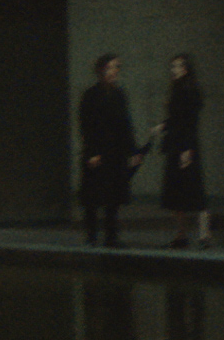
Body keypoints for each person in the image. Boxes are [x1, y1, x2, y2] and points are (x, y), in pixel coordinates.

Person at [77, 54, 147, 247]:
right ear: (101, 70)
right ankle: (91, 235)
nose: (114, 71)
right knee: (93, 196)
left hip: (115, 151)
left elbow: (125, 124)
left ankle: (111, 236)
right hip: (98, 150)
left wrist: (133, 151)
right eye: (110, 67)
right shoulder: (91, 95)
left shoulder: (119, 94)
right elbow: (86, 125)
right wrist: (91, 152)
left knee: (113, 196)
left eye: (116, 67)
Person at [157, 53, 211, 248]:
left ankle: (204, 234)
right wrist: (163, 126)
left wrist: (187, 149)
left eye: (178, 66)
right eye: (173, 66)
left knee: (193, 189)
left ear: (186, 69)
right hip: (177, 144)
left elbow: (190, 122)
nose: (174, 70)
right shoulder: (177, 90)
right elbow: (177, 119)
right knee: (176, 191)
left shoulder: (189, 91)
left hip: (186, 145)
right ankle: (181, 235)